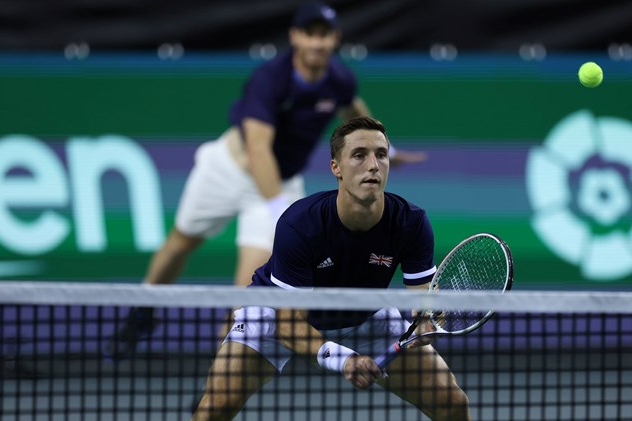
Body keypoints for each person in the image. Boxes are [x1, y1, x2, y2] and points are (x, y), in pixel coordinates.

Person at [107, 2, 426, 359]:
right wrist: (280, 210)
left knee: (247, 294)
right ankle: (142, 312)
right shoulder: (270, 79)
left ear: (335, 39)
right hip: (229, 169)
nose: (317, 43)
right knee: (180, 243)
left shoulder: (340, 79)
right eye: (310, 34)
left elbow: (354, 110)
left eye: (325, 35)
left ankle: (214, 383)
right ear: (295, 37)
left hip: (280, 182)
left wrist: (389, 150)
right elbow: (259, 150)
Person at [191, 116, 469, 421]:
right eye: (359, 155)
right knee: (213, 409)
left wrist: (429, 317)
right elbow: (288, 323)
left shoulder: (410, 223)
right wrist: (345, 360)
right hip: (275, 317)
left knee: (452, 404)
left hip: (366, 318)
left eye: (381, 154)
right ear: (336, 167)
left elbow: (425, 297)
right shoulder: (300, 225)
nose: (373, 165)